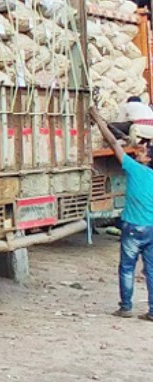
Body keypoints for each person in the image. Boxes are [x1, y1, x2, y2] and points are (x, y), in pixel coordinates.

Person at [90, 107, 153, 321]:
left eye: (144, 150)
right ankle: (152, 311)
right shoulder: (144, 171)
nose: (141, 150)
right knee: (150, 271)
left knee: (127, 267)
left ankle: (126, 307)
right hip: (152, 229)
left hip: (134, 227)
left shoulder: (135, 169)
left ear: (147, 159)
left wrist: (99, 120)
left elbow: (114, 144)